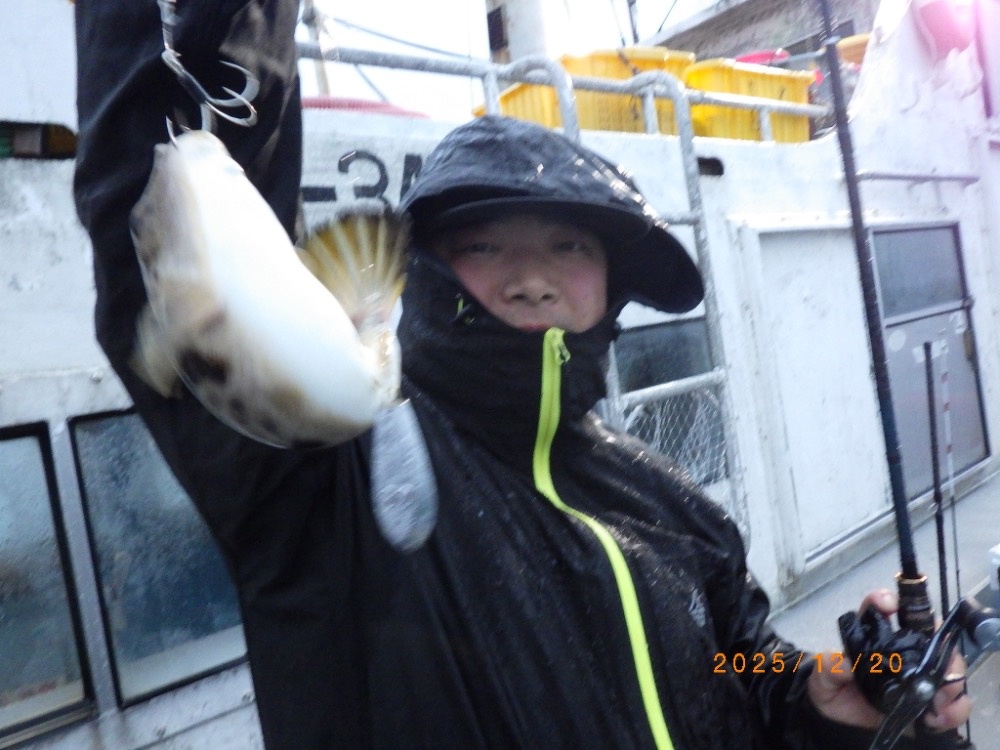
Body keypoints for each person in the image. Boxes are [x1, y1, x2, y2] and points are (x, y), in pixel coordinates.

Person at [73, 2, 969, 748]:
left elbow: (740, 661)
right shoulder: (333, 468)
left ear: (613, 283)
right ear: (427, 271)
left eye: (570, 246)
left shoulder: (674, 505)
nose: (532, 277)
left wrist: (818, 696)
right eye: (484, 245)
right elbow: (164, 233)